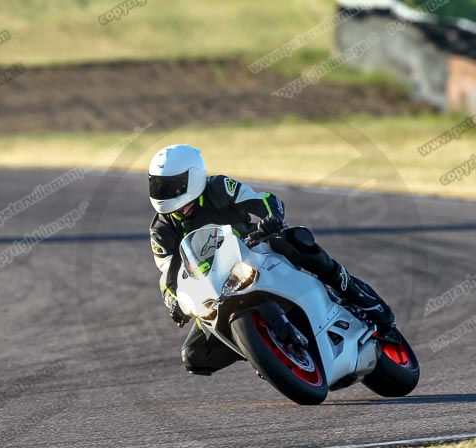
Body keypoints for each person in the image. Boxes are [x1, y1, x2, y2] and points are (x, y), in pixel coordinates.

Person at [147, 144, 396, 376]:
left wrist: (271, 218)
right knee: (194, 355)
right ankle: (263, 349)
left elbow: (265, 199)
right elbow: (168, 274)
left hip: (255, 249)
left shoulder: (219, 187)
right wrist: (172, 300)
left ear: (194, 177)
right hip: (215, 284)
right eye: (158, 186)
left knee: (293, 238)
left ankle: (353, 290)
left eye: (171, 186)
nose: (164, 193)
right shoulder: (160, 229)